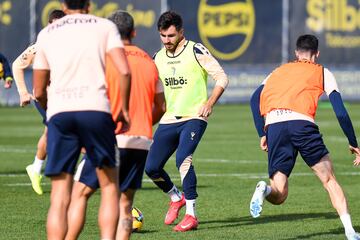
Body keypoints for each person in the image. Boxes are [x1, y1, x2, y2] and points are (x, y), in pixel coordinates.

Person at [32, 0, 131, 239]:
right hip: (96, 110)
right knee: (109, 187)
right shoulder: (104, 26)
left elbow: (38, 91)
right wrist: (124, 110)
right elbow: (124, 71)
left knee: (59, 195)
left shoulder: (47, 33)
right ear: (89, 4)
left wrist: (50, 109)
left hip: (60, 113)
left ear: (63, 5)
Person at [65, 10, 165, 240]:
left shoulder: (106, 57)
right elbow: (161, 107)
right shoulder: (149, 62)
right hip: (141, 140)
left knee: (80, 194)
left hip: (109, 137)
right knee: (125, 204)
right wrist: (141, 123)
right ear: (134, 32)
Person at [249, 34, 360, 240]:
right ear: (316, 54)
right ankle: (350, 232)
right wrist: (353, 143)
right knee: (329, 180)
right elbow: (341, 111)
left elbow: (254, 98)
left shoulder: (277, 71)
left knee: (279, 193)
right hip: (302, 124)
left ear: (295, 53)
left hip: (274, 126)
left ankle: (264, 190)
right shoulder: (323, 72)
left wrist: (262, 133)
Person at [144, 11, 228, 232]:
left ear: (181, 32)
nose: (167, 40)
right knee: (151, 168)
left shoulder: (196, 50)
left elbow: (222, 77)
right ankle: (175, 197)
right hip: (169, 118)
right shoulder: (157, 57)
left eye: (171, 35)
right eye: (163, 36)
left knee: (183, 158)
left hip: (194, 117)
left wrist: (209, 102)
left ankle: (191, 215)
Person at [12, 9, 66, 196]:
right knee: (62, 130)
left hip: (63, 98)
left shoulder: (69, 45)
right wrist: (23, 93)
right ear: (50, 26)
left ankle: (35, 168)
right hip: (44, 98)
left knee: (50, 131)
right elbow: (17, 65)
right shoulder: (40, 46)